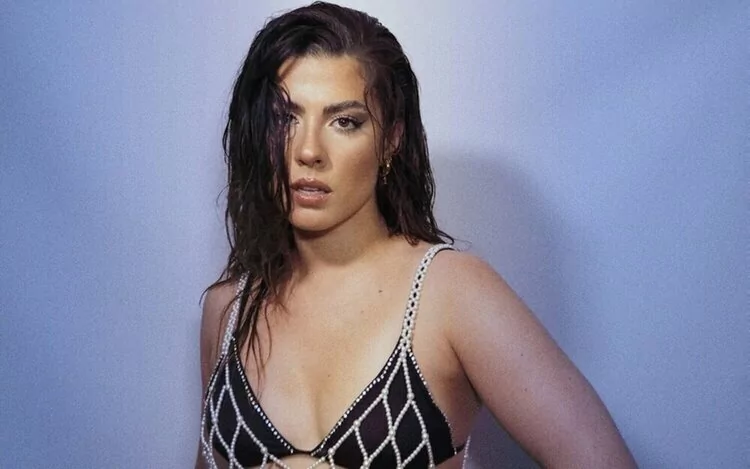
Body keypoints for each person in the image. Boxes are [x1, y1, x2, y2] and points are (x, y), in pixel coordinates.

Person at [195, 2, 637, 468]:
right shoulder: (227, 309)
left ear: (390, 140)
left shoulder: (452, 294)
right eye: (285, 118)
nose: (308, 150)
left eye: (344, 121)